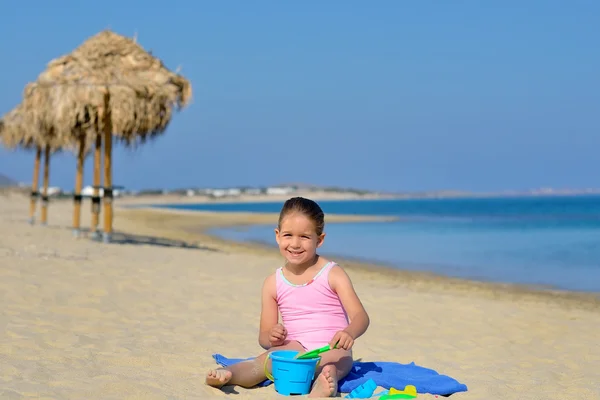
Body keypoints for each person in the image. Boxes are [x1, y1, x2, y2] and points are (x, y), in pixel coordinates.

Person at [206, 196, 370, 397]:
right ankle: (229, 374)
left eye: (304, 237)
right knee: (262, 362)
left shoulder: (332, 274)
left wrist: (349, 333)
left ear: (319, 240)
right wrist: (273, 337)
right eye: (288, 235)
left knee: (331, 365)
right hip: (295, 347)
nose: (295, 243)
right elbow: (264, 337)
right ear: (277, 235)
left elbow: (361, 317)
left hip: (331, 347)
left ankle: (324, 382)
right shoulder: (273, 283)